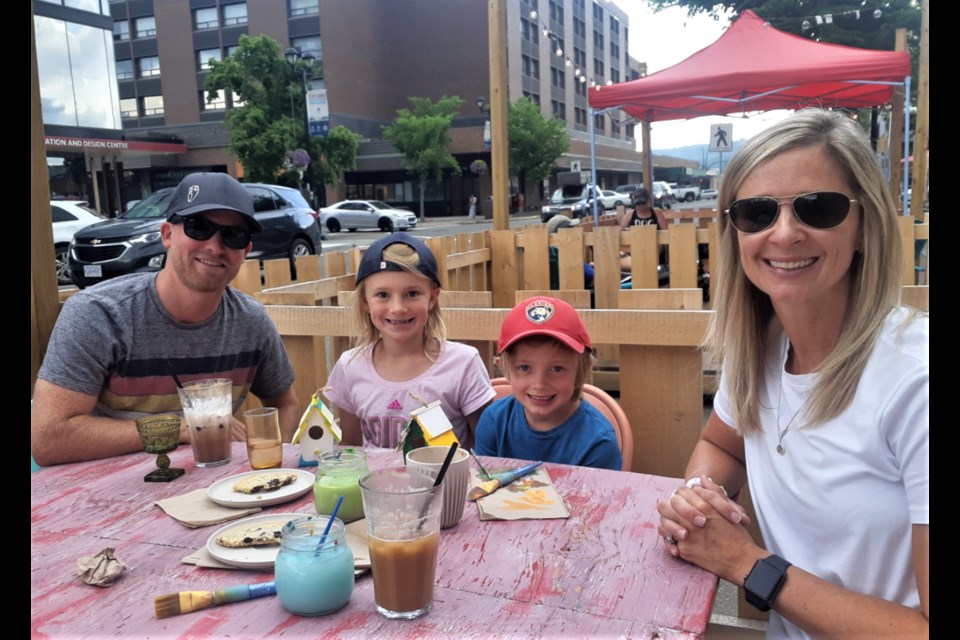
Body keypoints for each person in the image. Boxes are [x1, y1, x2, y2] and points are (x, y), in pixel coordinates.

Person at [656, 109, 928, 638]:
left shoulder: (914, 383)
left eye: (818, 208)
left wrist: (747, 565)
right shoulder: (760, 348)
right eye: (757, 213)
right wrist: (698, 499)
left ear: (865, 227)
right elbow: (725, 445)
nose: (784, 233)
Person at [32, 172, 301, 466]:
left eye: (233, 235)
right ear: (167, 235)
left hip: (215, 491)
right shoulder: (99, 314)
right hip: (105, 495)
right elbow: (48, 439)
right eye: (199, 227)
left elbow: (284, 404)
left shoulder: (251, 321)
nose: (214, 246)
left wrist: (267, 466)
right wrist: (181, 428)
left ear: (245, 251)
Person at [323, 232, 495, 451]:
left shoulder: (463, 363)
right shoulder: (349, 366)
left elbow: (486, 450)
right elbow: (351, 447)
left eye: (412, 293)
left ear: (432, 298)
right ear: (365, 301)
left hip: (446, 484)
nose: (397, 308)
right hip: (375, 484)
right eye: (383, 295)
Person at [474, 296, 622, 471]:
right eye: (524, 367)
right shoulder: (493, 421)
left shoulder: (599, 443)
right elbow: (484, 488)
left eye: (557, 369)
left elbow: (596, 498)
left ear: (582, 370)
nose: (540, 383)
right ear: (505, 369)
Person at [618, 186, 668, 272]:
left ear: (648, 201)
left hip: (655, 250)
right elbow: (620, 232)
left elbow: (666, 233)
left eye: (643, 203)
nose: (640, 206)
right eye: (638, 203)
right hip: (636, 250)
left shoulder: (657, 213)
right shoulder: (630, 215)